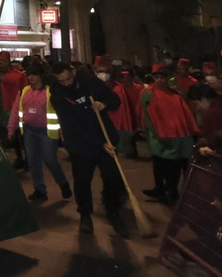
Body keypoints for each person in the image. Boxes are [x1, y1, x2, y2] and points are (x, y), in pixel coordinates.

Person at [49, 62, 126, 234]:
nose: (67, 84)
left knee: (112, 178)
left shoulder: (90, 83)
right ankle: (85, 215)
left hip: (106, 138)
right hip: (80, 145)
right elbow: (73, 127)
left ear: (73, 72)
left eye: (68, 78)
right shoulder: (57, 96)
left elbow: (115, 100)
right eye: (61, 81)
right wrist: (100, 143)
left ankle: (113, 212)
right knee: (82, 181)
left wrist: (103, 104)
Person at [9, 65, 71, 202]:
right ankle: (39, 190)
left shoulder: (51, 92)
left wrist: (64, 132)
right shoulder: (24, 90)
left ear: (41, 76)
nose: (30, 77)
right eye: (29, 75)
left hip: (47, 132)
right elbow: (16, 109)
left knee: (50, 159)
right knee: (33, 161)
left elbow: (62, 112)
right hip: (29, 131)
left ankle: (62, 183)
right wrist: (11, 127)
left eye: (34, 74)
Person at [142, 63, 200, 203]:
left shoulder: (176, 92)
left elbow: (185, 113)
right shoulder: (148, 93)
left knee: (180, 163)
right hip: (159, 135)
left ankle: (183, 194)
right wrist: (156, 134)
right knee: (161, 163)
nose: (160, 80)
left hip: (179, 135)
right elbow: (146, 115)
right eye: (157, 77)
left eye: (163, 77)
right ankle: (163, 189)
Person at [0, 53, 29, 169]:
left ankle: (25, 158)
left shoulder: (17, 76)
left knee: (20, 135)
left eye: (2, 62)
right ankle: (22, 158)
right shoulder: (3, 76)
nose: (0, 65)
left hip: (16, 108)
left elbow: (24, 91)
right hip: (9, 108)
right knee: (16, 135)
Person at [108, 65, 145, 157]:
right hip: (125, 117)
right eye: (124, 78)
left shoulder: (139, 89)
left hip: (136, 115)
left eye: (128, 78)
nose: (126, 80)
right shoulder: (119, 90)